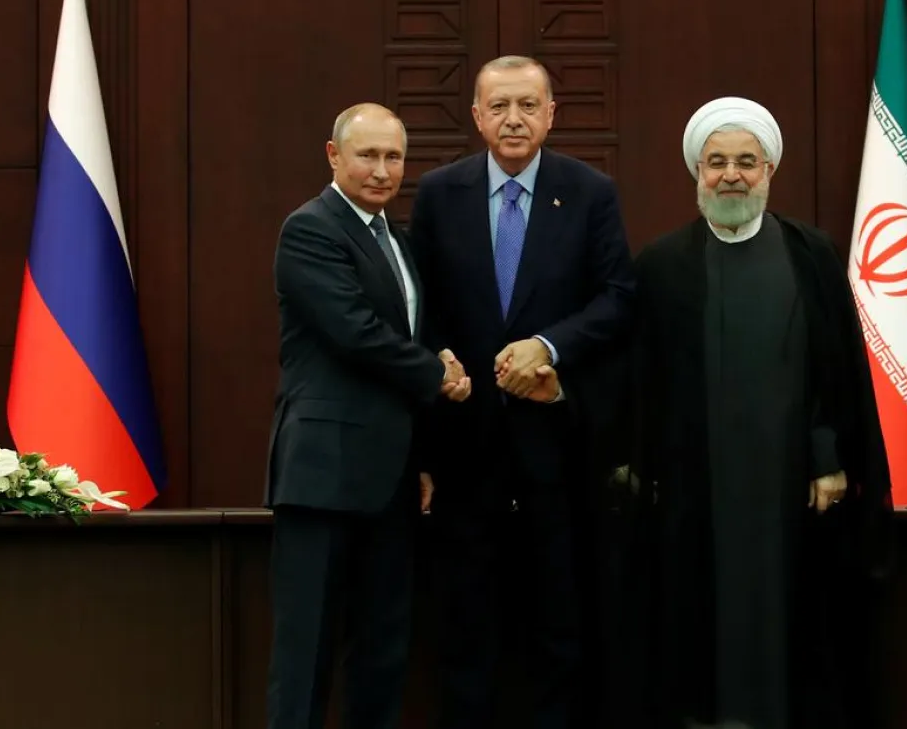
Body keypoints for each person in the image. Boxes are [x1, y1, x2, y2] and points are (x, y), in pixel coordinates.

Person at [618, 96, 894, 729]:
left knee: (795, 621)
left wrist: (828, 458)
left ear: (770, 170)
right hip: (696, 491)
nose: (731, 176)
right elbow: (641, 381)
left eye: (747, 162)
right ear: (697, 173)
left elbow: (837, 372)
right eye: (716, 163)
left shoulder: (811, 255)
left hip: (792, 488)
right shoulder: (662, 266)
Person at [408, 55, 636, 729]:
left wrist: (551, 347)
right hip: (464, 449)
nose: (514, 119)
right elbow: (419, 308)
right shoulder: (438, 192)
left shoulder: (590, 191)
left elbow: (619, 299)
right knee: (466, 628)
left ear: (551, 114)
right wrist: (436, 366)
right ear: (476, 115)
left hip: (557, 450)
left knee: (559, 626)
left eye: (528, 105)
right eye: (499, 106)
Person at [265, 103, 473, 729]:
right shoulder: (310, 229)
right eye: (367, 155)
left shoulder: (398, 241)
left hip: (391, 478)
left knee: (382, 650)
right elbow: (354, 333)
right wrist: (437, 373)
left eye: (393, 158)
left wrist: (426, 453)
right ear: (334, 156)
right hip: (323, 476)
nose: (383, 170)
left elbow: (404, 333)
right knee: (307, 652)